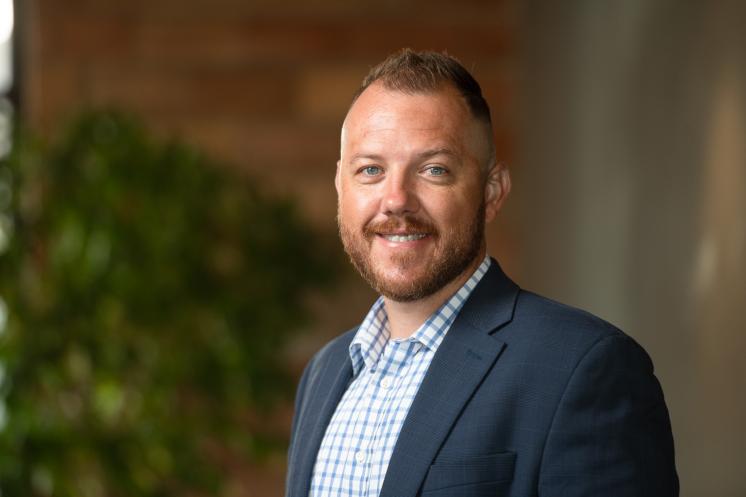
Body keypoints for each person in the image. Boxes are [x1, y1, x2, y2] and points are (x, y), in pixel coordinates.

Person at [285, 49, 678, 497]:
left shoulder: (583, 368)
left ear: (491, 192)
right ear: (341, 186)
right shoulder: (323, 373)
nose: (396, 200)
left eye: (434, 170)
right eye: (370, 170)